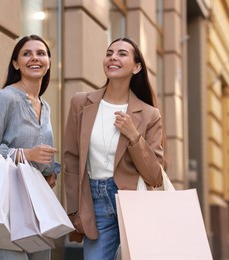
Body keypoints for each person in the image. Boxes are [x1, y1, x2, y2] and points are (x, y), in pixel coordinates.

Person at [63, 37, 166, 260]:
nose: (113, 57)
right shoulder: (81, 103)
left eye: (122, 54)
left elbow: (155, 175)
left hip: (134, 202)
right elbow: (70, 159)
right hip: (95, 200)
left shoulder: (149, 114)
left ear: (137, 67)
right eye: (110, 53)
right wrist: (73, 209)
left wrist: (133, 135)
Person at [0, 34, 61, 260]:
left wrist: (50, 172)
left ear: (49, 61)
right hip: (8, 203)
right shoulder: (6, 98)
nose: (35, 58)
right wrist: (25, 154)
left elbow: (41, 153)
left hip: (36, 206)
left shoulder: (45, 106)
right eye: (26, 53)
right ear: (16, 63)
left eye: (41, 53)